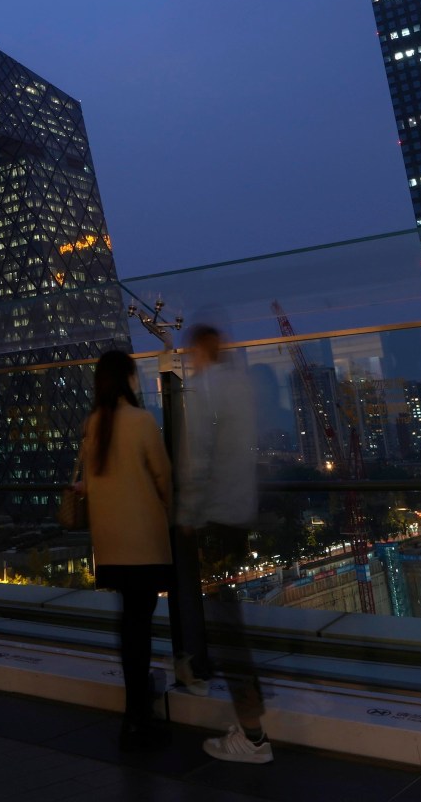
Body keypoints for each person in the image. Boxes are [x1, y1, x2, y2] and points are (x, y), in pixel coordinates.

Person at [177, 322, 272, 764]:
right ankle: (247, 721)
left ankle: (252, 736)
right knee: (227, 616)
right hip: (238, 516)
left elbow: (196, 461)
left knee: (224, 623)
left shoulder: (202, 391)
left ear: (198, 349)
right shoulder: (242, 386)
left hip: (212, 523)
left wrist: (186, 517)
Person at [79, 348, 174, 746]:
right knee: (142, 621)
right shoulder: (141, 421)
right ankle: (139, 711)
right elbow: (164, 479)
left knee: (129, 624)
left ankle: (134, 711)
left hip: (111, 545)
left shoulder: (93, 424)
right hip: (143, 542)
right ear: (129, 379)